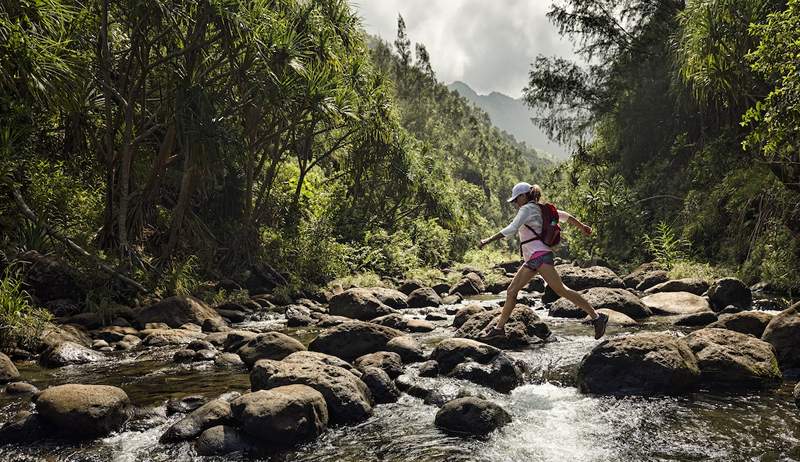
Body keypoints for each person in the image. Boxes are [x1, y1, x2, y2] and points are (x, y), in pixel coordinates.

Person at [478, 182, 609, 339]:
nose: (514, 203)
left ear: (524, 196)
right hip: (533, 258)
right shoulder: (542, 208)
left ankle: (597, 317)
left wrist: (487, 240)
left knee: (561, 290)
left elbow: (511, 229)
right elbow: (565, 216)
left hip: (539, 256)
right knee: (512, 291)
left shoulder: (526, 209)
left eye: (515, 199)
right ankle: (499, 329)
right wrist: (582, 227)